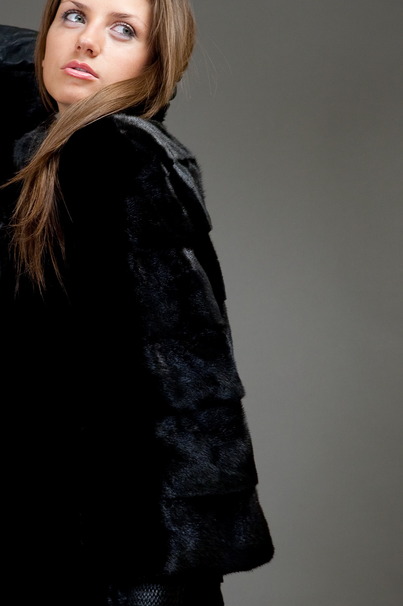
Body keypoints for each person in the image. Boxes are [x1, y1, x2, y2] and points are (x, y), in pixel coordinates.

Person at [0, 1, 274, 605]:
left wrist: (159, 579)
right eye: (74, 16)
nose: (88, 42)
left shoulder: (118, 158)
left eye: (123, 30)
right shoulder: (40, 151)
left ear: (155, 62)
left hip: (108, 560)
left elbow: (182, 386)